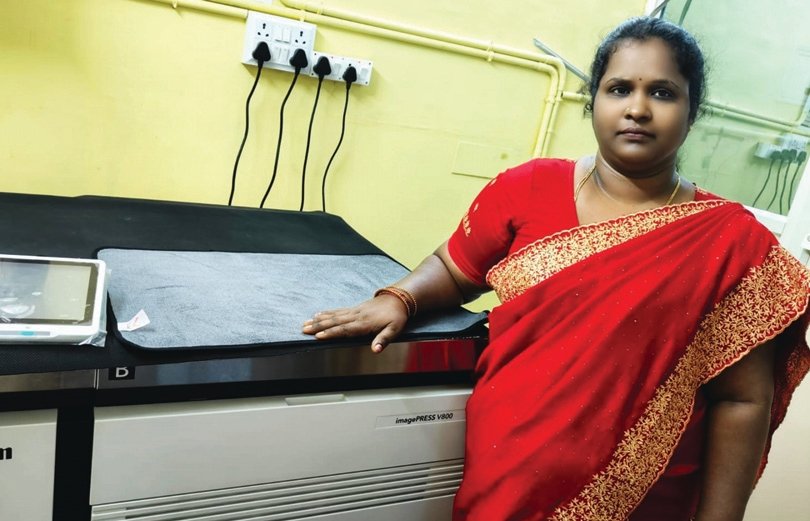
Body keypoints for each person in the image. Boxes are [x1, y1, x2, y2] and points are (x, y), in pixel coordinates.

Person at [303, 16, 810, 521]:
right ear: (594, 100)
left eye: (662, 92)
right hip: (508, 468)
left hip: (645, 501)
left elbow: (741, 400)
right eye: (619, 89)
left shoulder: (733, 243)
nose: (637, 108)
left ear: (692, 111)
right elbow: (454, 268)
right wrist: (401, 298)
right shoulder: (527, 188)